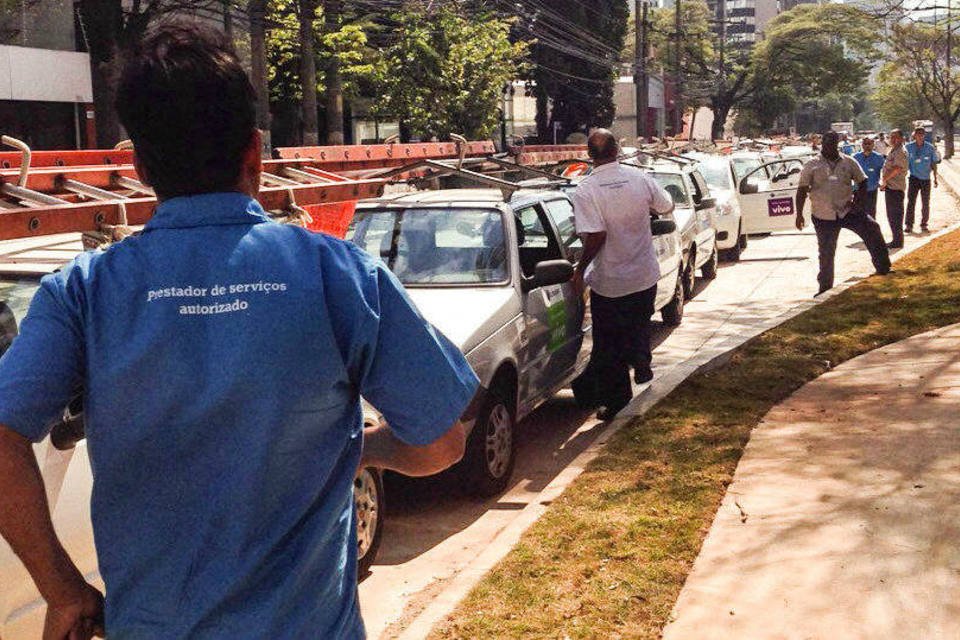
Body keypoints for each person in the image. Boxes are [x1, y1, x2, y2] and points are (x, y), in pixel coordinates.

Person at [0, 20, 478, 640]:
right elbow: (443, 443)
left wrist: (61, 588)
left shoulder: (84, 291)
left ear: (140, 165)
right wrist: (368, 447)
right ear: (254, 151)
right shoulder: (337, 274)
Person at [570, 129, 674, 421]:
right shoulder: (639, 178)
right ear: (617, 150)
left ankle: (617, 401)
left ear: (590, 155)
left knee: (609, 343)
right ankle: (641, 359)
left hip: (609, 281)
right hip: (643, 274)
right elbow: (667, 205)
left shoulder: (586, 189)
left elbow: (596, 234)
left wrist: (580, 270)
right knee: (640, 321)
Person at [795, 130, 891, 296]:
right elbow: (802, 189)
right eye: (827, 143)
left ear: (837, 144)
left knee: (872, 228)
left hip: (847, 210)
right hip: (823, 215)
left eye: (833, 143)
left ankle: (883, 267)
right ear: (822, 144)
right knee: (826, 252)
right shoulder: (812, 164)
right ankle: (824, 289)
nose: (829, 146)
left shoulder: (849, 162)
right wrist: (799, 215)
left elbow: (863, 181)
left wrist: (858, 203)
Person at [905, 126, 940, 232]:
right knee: (911, 202)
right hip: (913, 178)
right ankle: (909, 225)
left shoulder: (930, 148)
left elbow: (933, 163)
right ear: (914, 135)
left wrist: (935, 178)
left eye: (922, 134)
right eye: (918, 134)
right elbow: (904, 163)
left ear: (924, 135)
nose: (920, 136)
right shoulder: (908, 147)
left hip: (925, 179)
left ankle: (924, 223)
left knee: (925, 202)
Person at [880, 129, 908, 248]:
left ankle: (897, 241)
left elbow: (897, 168)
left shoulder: (900, 151)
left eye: (896, 137)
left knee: (895, 216)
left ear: (902, 138)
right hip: (892, 188)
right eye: (891, 137)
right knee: (892, 216)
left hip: (895, 188)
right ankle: (896, 239)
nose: (893, 139)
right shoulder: (894, 150)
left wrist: (884, 180)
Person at [853, 137, 885, 218]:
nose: (867, 146)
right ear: (862, 145)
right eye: (865, 144)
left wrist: (882, 182)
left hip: (871, 189)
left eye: (869, 144)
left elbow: (884, 171)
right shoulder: (855, 157)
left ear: (873, 145)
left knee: (871, 213)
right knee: (858, 213)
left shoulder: (879, 157)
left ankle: (871, 230)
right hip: (858, 189)